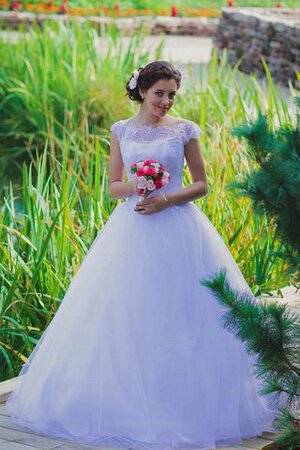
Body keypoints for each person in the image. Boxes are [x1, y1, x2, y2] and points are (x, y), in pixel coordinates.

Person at [6, 60, 280, 450]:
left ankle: (188, 401)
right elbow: (114, 188)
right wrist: (138, 184)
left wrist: (165, 197)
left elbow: (201, 184)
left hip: (179, 227)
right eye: (159, 94)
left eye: (171, 94)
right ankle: (128, 401)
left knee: (185, 311)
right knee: (127, 311)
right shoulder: (122, 131)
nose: (166, 101)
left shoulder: (184, 131)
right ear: (141, 92)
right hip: (131, 229)